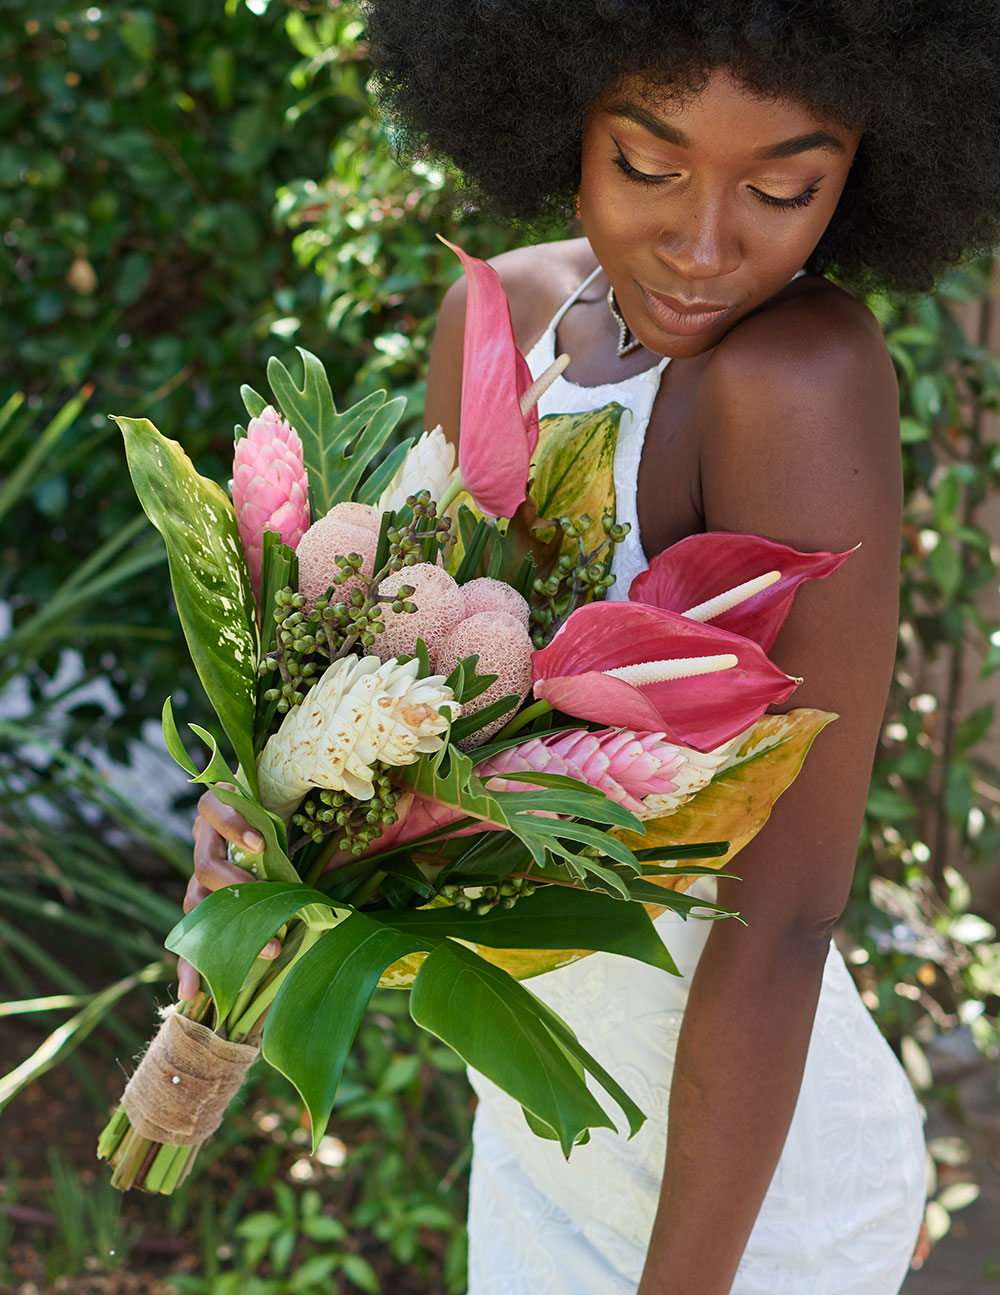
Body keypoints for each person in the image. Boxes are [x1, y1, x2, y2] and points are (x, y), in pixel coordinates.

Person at [187, 3, 1000, 1291]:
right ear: (551, 108)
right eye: (646, 166)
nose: (703, 241)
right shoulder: (504, 317)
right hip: (543, 1131)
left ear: (867, 171)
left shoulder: (796, 380)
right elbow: (407, 681)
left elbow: (782, 912)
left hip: (749, 1205)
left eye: (784, 188)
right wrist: (281, 794)